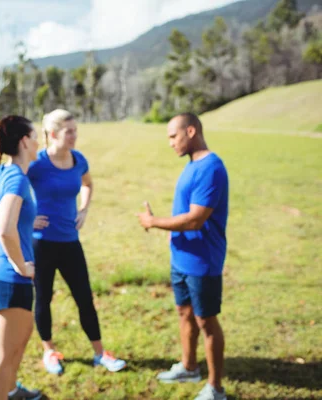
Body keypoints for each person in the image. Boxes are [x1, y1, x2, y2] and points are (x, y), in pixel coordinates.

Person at [137, 113, 229, 400]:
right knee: (184, 313)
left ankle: (215, 388)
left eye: (173, 136)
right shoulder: (193, 165)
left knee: (206, 322)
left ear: (191, 131)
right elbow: (186, 211)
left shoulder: (211, 168)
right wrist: (171, 234)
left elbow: (195, 220)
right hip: (181, 257)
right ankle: (189, 367)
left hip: (203, 261)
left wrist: (154, 222)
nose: (170, 143)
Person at [27, 109, 126, 375]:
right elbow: (12, 192)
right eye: (69, 131)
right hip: (41, 244)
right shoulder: (35, 163)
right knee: (43, 299)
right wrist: (28, 219)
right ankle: (49, 351)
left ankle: (98, 353)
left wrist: (84, 209)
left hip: (71, 242)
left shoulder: (78, 160)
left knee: (84, 298)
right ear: (53, 134)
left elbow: (88, 184)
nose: (75, 136)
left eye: (75, 130)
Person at [0, 115, 42, 400]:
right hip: (11, 277)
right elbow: (4, 228)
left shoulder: (5, 172)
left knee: (17, 344)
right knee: (2, 356)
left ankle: (12, 391)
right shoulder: (17, 179)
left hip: (6, 274)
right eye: (36, 136)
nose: (39, 142)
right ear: (25, 141)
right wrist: (18, 263)